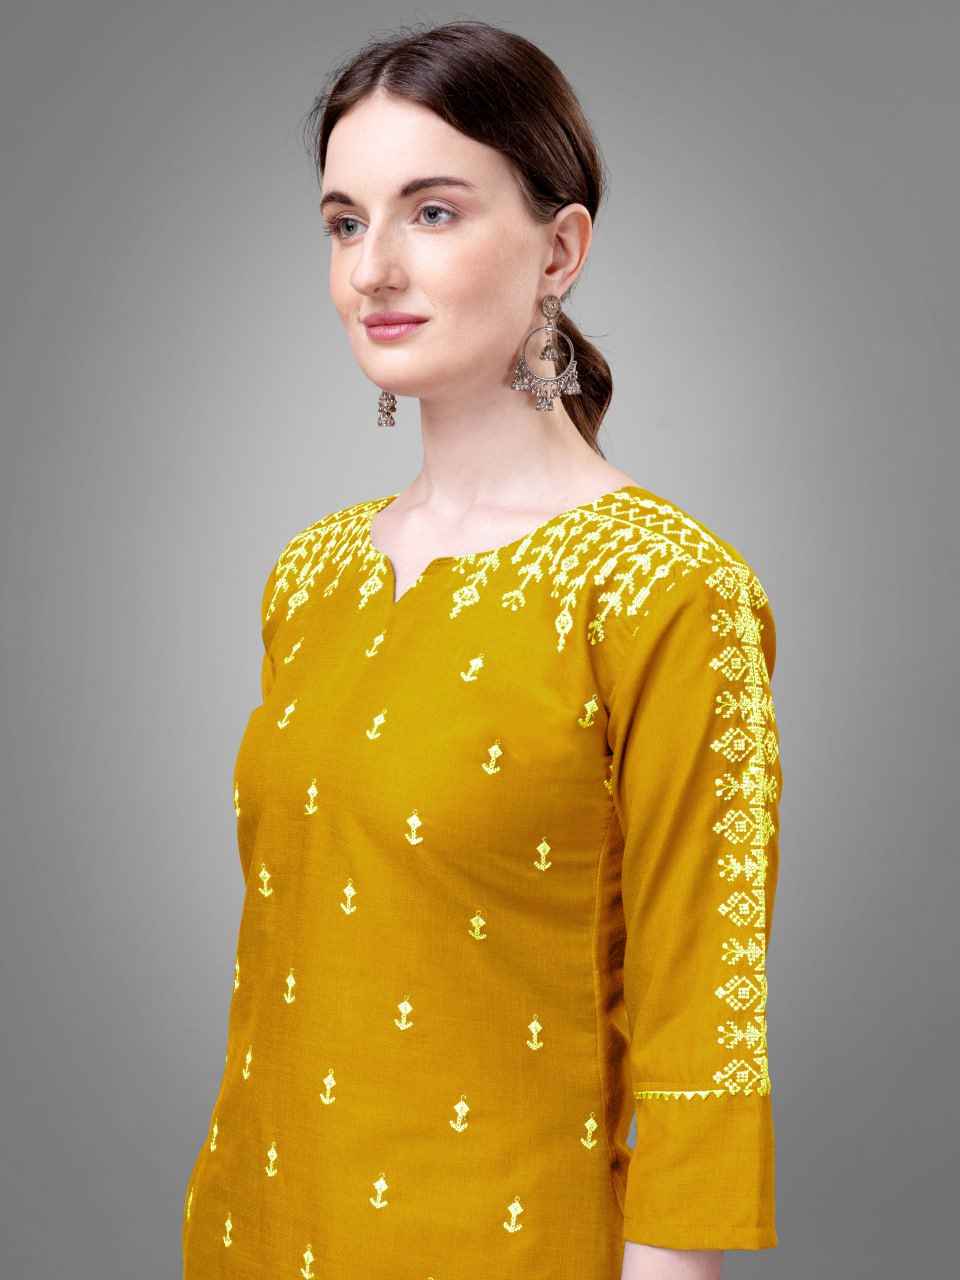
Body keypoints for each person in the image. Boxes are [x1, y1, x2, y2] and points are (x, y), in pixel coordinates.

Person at [180, 20, 782, 1280]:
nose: (374, 268)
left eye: (434, 212)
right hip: (256, 1228)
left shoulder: (665, 589)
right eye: (345, 222)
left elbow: (703, 1028)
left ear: (560, 249)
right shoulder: (313, 575)